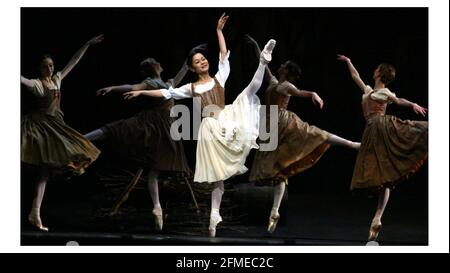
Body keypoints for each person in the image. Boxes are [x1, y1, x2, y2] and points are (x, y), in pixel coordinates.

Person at [123, 13, 276, 237]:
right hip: (210, 129)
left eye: (203, 58)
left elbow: (224, 55)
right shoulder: (190, 88)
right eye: (197, 61)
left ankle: (263, 61)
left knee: (248, 92)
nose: (202, 61)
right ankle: (214, 216)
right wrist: (141, 91)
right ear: (193, 68)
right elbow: (166, 92)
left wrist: (219, 31)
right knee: (218, 177)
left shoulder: (219, 78)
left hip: (227, 118)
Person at [246, 35, 360, 233]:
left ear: (287, 71)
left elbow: (299, 92)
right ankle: (274, 211)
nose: (280, 65)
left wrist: (313, 94)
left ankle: (351, 144)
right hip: (270, 125)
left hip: (278, 122)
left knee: (314, 134)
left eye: (283, 64)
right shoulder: (274, 80)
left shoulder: (285, 85)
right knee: (281, 170)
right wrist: (257, 46)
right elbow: (263, 63)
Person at [84, 49, 202, 230]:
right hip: (155, 124)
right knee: (118, 129)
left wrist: (191, 56)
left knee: (155, 169)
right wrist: (113, 88)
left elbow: (182, 72)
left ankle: (157, 207)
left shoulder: (167, 83)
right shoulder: (150, 82)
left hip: (167, 128)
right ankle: (83, 138)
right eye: (156, 62)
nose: (160, 63)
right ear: (155, 67)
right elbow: (132, 87)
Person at [337, 54, 428, 241]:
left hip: (378, 127)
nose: (374, 69)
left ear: (380, 73)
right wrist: (349, 62)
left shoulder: (385, 92)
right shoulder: (369, 90)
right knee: (383, 175)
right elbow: (356, 78)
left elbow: (398, 100)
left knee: (413, 129)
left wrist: (413, 105)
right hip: (372, 131)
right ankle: (377, 217)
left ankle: (378, 215)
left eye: (377, 68)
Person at [21, 35, 104, 231]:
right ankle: (33, 211)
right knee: (40, 169)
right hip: (39, 127)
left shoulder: (57, 79)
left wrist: (86, 44)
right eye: (45, 66)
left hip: (56, 126)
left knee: (45, 172)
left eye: (51, 65)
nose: (49, 69)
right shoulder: (36, 84)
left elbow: (73, 62)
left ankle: (35, 212)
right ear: (39, 68)